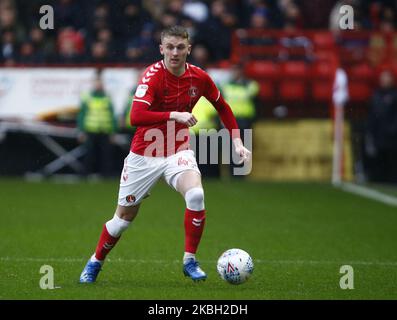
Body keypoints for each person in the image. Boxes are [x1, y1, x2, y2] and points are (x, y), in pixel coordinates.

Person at [79, 25, 251, 283]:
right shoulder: (152, 76)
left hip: (177, 150)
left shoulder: (199, 78)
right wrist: (174, 114)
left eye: (180, 47)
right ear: (161, 49)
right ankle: (95, 262)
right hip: (144, 155)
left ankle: (189, 260)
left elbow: (222, 107)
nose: (174, 52)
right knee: (121, 221)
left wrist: (237, 142)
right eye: (169, 47)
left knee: (196, 194)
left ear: (188, 49)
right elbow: (135, 116)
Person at [220, 63, 259, 178]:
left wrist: (253, 119)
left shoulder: (251, 85)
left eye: (237, 70)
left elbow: (257, 104)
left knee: (243, 149)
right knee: (230, 150)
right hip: (229, 121)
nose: (235, 72)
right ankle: (232, 175)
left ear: (242, 71)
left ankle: (241, 175)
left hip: (244, 121)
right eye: (233, 70)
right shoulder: (225, 86)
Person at [77, 71, 117, 177]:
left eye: (100, 82)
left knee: (106, 155)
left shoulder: (107, 97)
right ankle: (85, 174)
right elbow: (82, 115)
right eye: (97, 82)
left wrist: (113, 131)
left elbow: (112, 115)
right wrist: (81, 131)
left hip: (105, 130)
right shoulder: (87, 96)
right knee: (89, 154)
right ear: (94, 83)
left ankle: (106, 175)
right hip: (90, 130)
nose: (99, 84)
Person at [364, 70, 397, 183]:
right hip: (378, 134)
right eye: (383, 78)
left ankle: (392, 181)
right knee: (379, 159)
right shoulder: (376, 95)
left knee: (392, 159)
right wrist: (370, 131)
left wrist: (392, 129)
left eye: (387, 77)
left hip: (392, 135)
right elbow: (372, 115)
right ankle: (379, 180)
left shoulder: (394, 95)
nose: (384, 80)